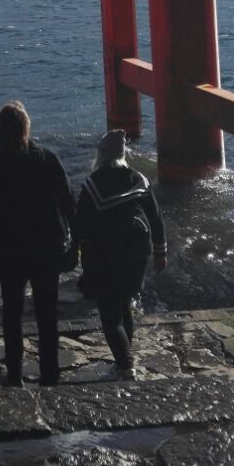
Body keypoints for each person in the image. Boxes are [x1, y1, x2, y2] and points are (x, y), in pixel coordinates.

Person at [0, 101, 76, 388]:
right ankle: (50, 374)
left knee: (12, 313)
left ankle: (14, 374)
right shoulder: (47, 159)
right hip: (47, 247)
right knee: (46, 314)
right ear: (26, 128)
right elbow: (68, 204)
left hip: (12, 248)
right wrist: (75, 246)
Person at [76, 128, 166, 381]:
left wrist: (77, 255)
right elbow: (156, 219)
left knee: (110, 313)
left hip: (106, 255)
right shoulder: (139, 179)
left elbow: (81, 226)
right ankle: (123, 361)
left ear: (101, 155)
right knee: (125, 304)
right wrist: (161, 253)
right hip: (138, 251)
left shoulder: (92, 185)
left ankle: (126, 366)